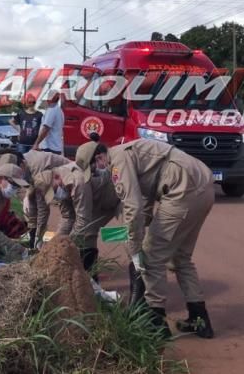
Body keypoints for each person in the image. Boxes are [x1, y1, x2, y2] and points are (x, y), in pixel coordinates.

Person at [104, 138, 215, 339]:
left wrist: (135, 247)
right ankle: (200, 320)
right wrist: (142, 228)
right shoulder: (131, 152)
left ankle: (155, 322)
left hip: (182, 189)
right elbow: (145, 200)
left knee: (151, 255)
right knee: (181, 258)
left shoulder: (117, 160)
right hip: (203, 185)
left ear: (99, 157)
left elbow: (133, 207)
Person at [49, 138, 120, 277]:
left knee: (89, 231)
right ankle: (91, 278)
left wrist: (66, 245)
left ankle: (91, 278)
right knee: (87, 234)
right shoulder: (61, 177)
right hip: (98, 200)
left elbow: (83, 220)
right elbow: (68, 217)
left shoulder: (79, 181)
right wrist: (56, 243)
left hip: (116, 200)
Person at [21, 148, 70, 249]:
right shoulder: (25, 163)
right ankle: (49, 244)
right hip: (56, 180)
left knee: (69, 215)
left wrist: (38, 238)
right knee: (32, 202)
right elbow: (32, 199)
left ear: (21, 164)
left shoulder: (38, 169)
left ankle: (59, 249)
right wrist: (32, 227)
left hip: (67, 180)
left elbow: (43, 209)